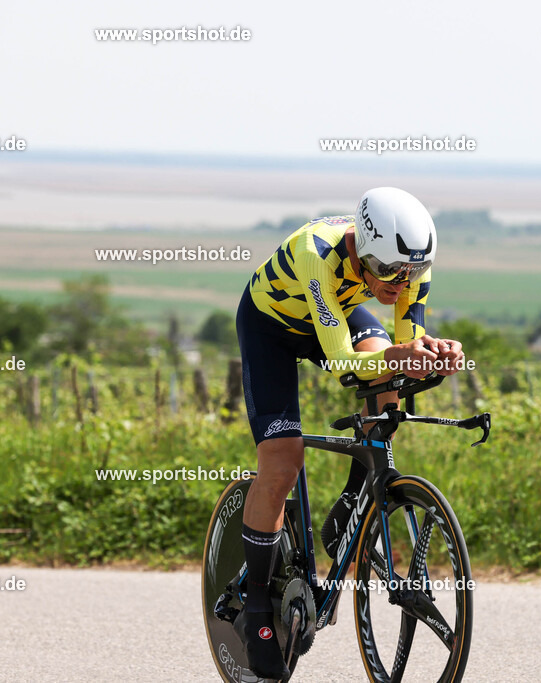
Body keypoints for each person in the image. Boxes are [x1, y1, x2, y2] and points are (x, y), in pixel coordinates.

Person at [234, 186, 464, 678]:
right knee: (283, 463)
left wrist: (432, 354)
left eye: (411, 273)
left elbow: (405, 346)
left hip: (336, 315)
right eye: (388, 271)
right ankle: (256, 608)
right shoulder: (317, 253)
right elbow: (343, 362)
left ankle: (351, 504)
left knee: (389, 387)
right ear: (363, 249)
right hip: (273, 327)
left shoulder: (408, 265)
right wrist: (398, 355)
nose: (400, 285)